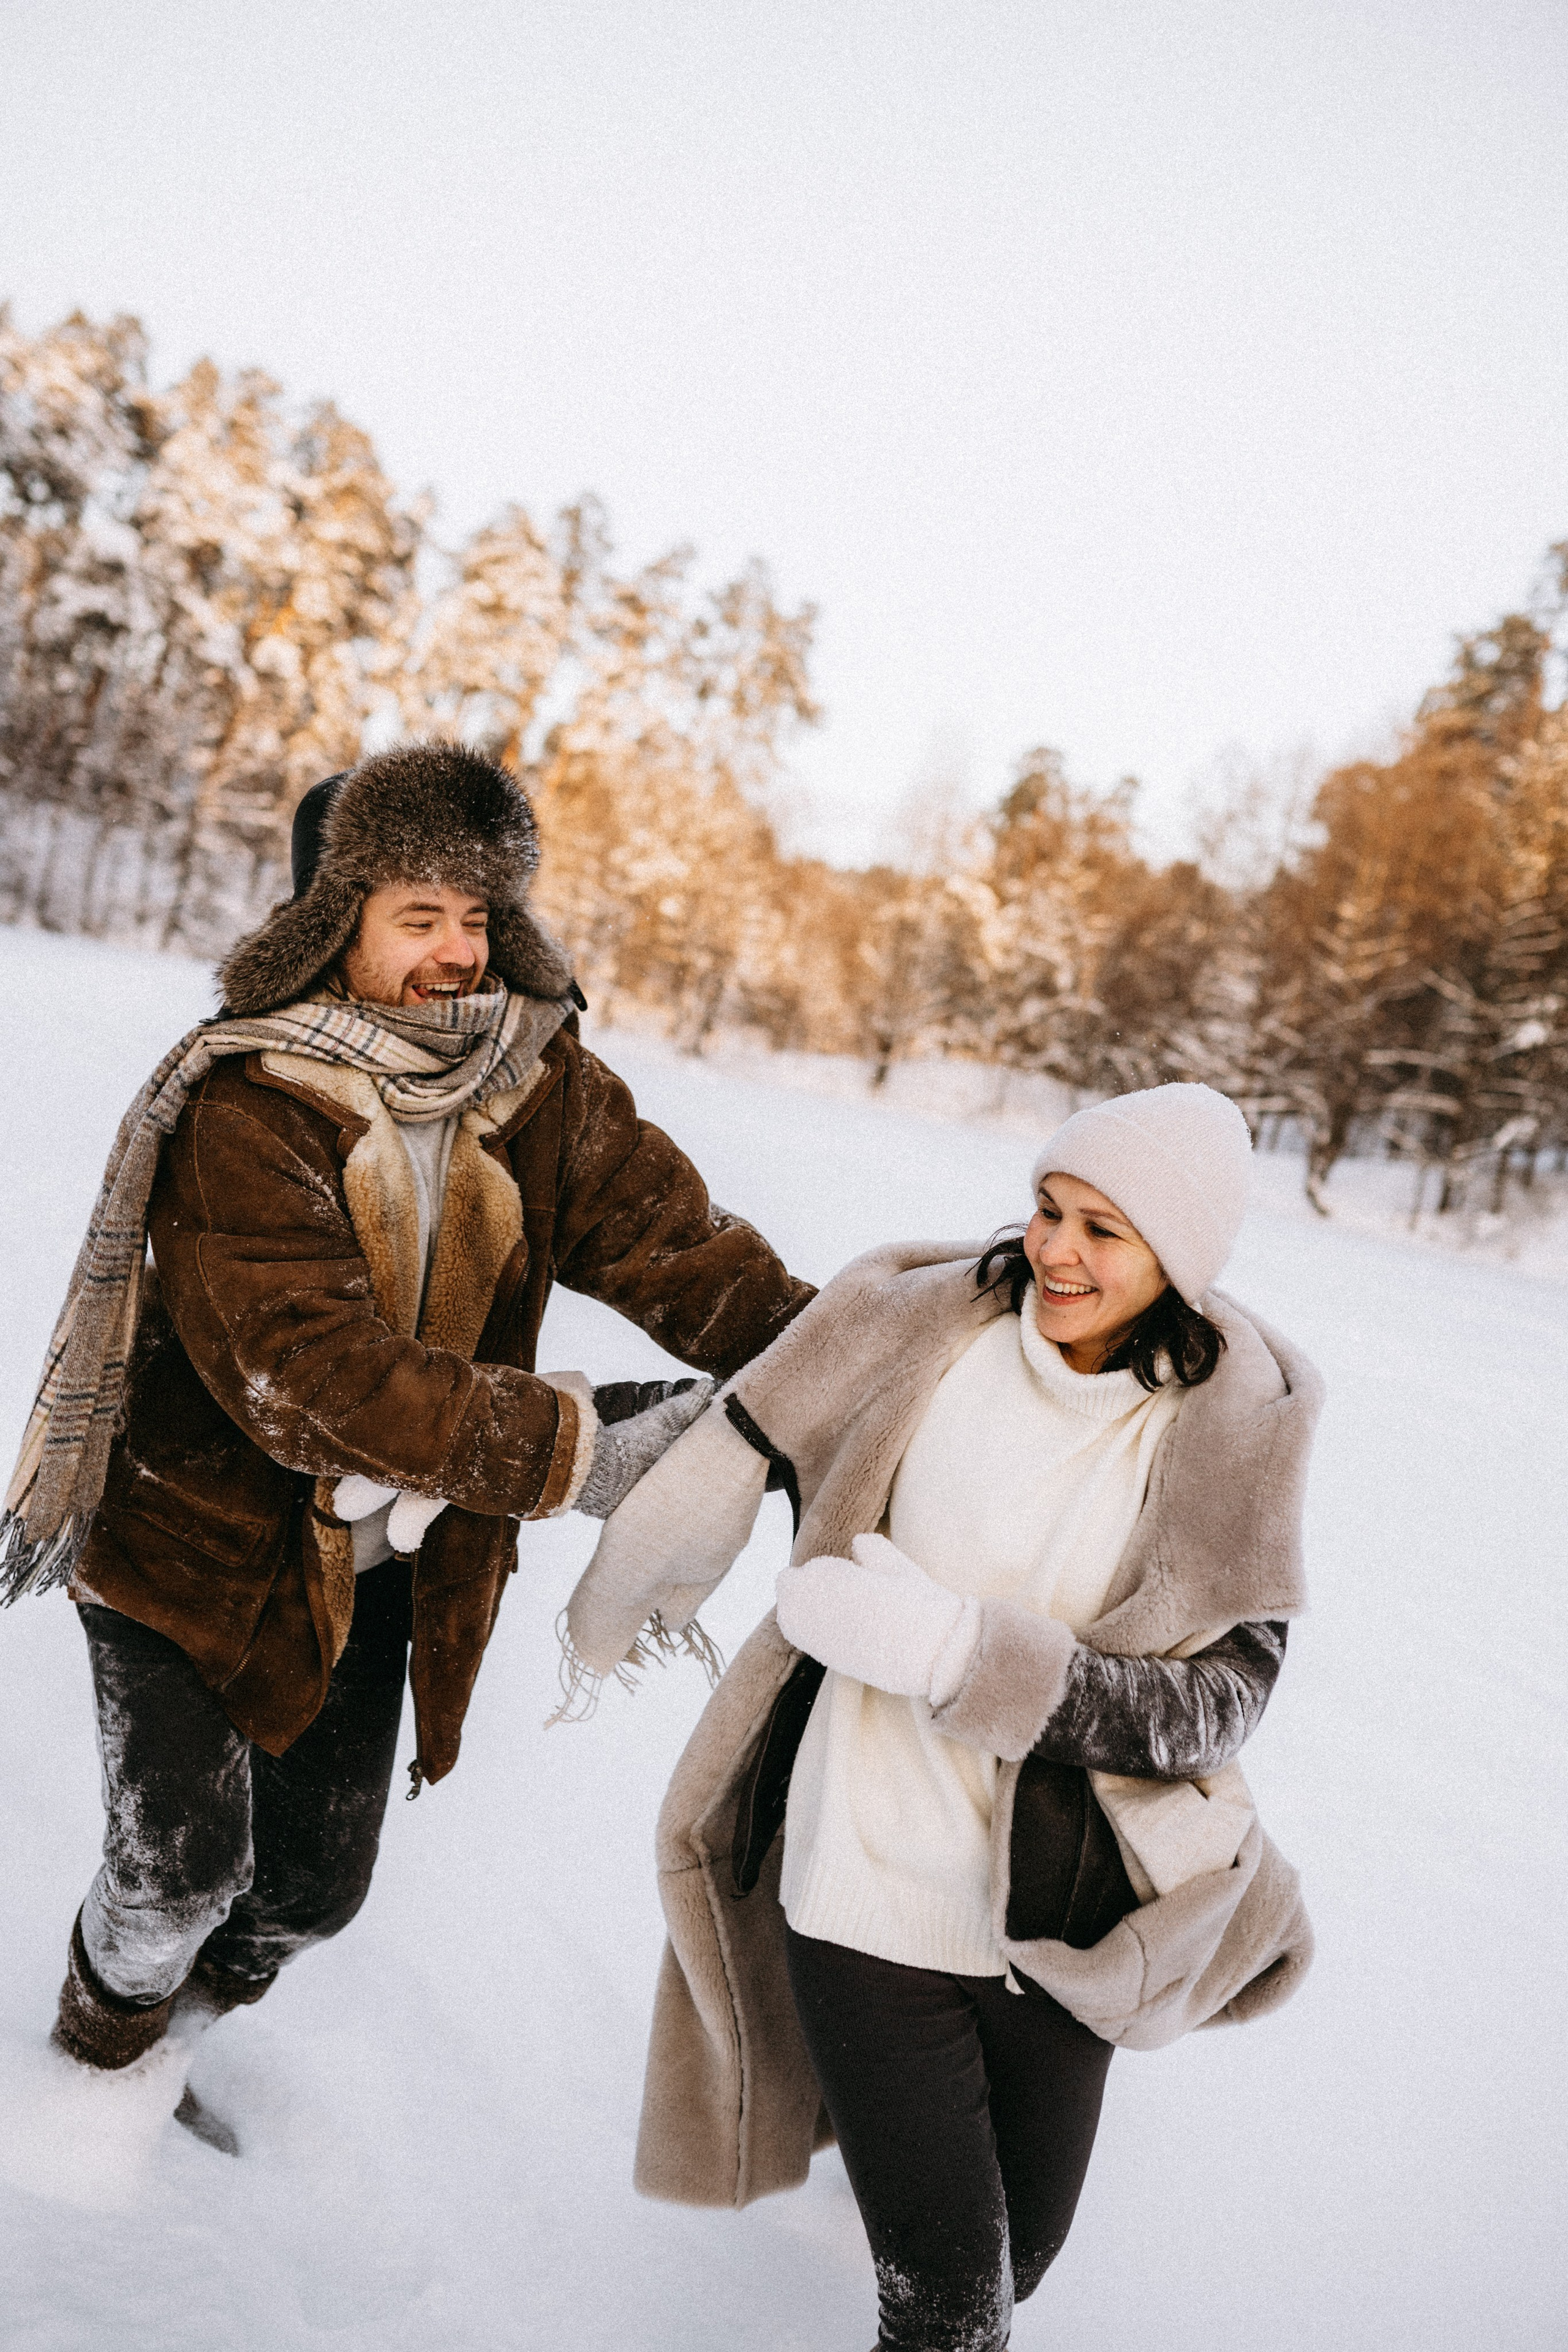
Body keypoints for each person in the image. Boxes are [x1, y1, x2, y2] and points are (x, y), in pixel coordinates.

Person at [0, 741, 812, 2128]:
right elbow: (305, 1370)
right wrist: (578, 1450)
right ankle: (93, 2069)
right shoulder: (245, 1102)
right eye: (416, 916)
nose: (456, 952)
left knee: (313, 1890)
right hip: (195, 1548)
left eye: (478, 916)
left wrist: (838, 1357)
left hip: (379, 1564)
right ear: (334, 921)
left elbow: (678, 1248)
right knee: (177, 1868)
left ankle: (175, 2046)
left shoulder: (536, 1081)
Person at [562, 1080, 1322, 2352]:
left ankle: (903, 2177)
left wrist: (963, 1656)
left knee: (1016, 2261)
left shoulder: (1225, 1433)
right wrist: (484, 1453)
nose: (1055, 1252)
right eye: (1047, 1208)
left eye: (1103, 1230)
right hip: (860, 1882)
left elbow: (1216, 1703)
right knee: (950, 2313)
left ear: (1178, 1261)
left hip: (1055, 1917)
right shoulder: (925, 1333)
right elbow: (724, 1426)